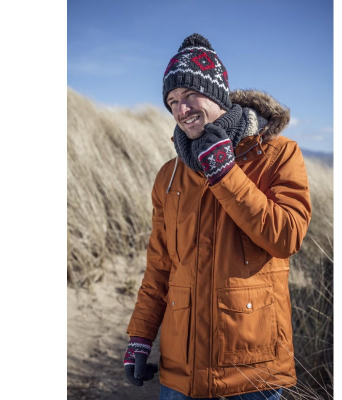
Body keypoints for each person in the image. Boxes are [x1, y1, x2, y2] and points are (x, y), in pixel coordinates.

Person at [124, 33, 312, 400]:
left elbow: (287, 237)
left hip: (252, 371)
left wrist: (227, 175)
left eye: (188, 96)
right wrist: (140, 336)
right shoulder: (170, 174)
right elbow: (161, 265)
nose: (181, 110)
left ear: (217, 94)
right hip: (182, 373)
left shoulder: (277, 155)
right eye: (172, 101)